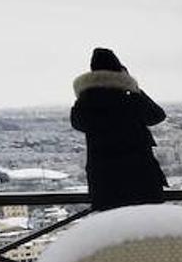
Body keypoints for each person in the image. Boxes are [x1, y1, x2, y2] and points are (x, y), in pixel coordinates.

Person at [70, 47, 168, 211]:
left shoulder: (86, 102)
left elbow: (78, 123)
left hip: (104, 180)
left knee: (113, 230)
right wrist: (133, 87)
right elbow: (157, 116)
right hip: (140, 175)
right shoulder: (130, 100)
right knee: (144, 228)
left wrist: (83, 94)